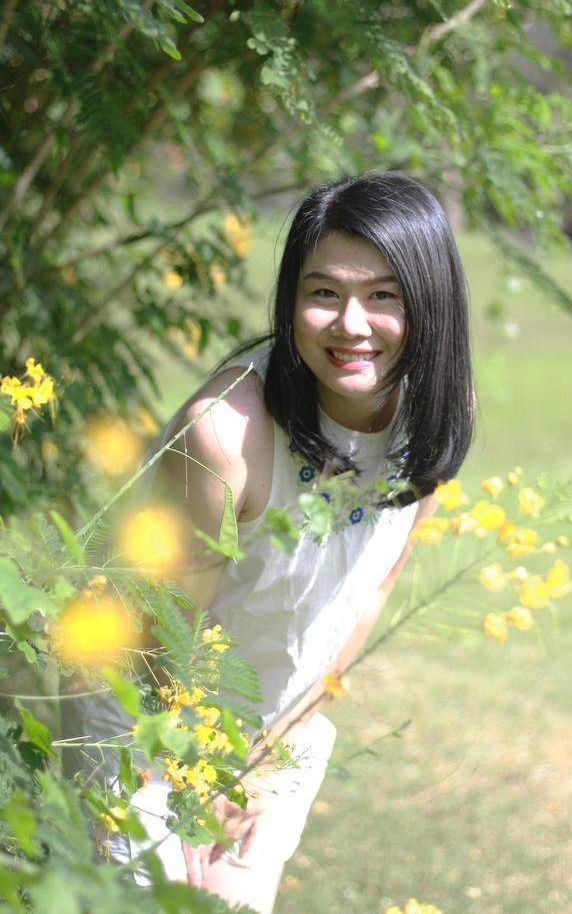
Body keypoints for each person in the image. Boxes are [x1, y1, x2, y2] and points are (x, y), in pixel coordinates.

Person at [64, 172, 474, 913]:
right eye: (323, 293)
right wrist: (198, 782)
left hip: (273, 730)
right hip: (145, 724)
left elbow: (371, 589)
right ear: (291, 301)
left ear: (431, 303)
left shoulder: (435, 415)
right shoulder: (227, 434)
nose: (352, 324)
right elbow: (160, 639)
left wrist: (269, 749)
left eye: (385, 296)